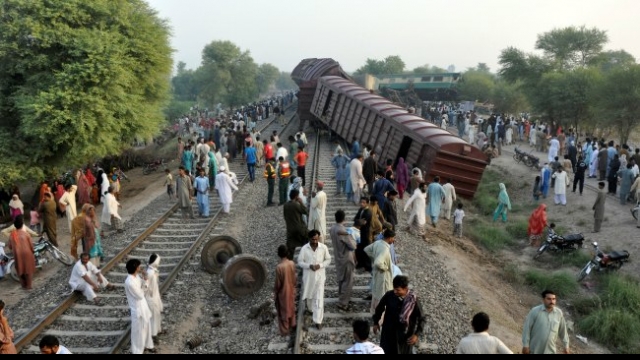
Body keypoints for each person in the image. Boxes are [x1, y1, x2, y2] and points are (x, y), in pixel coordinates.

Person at [372, 276, 425, 355]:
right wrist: (376, 322)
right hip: (389, 333)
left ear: (405, 289)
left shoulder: (413, 300)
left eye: (398, 290)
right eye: (394, 289)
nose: (395, 292)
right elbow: (379, 308)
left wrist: (416, 335)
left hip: (405, 336)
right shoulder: (389, 295)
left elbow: (422, 318)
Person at [298, 230, 331, 330]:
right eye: (313, 239)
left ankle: (318, 321)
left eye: (317, 239)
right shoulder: (304, 249)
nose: (315, 241)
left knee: (319, 298)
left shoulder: (323, 248)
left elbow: (328, 259)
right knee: (310, 296)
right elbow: (300, 262)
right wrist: (309, 266)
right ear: (309, 239)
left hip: (320, 277)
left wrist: (320, 265)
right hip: (308, 278)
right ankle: (311, 310)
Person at [522, 290, 570, 354]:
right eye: (549, 299)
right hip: (534, 349)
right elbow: (527, 329)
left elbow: (563, 331)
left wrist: (566, 346)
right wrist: (526, 345)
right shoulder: (535, 311)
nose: (552, 301)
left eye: (553, 299)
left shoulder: (558, 313)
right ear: (543, 299)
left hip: (550, 350)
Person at [124, 259, 155, 354]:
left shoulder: (136, 277)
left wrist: (144, 278)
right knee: (138, 332)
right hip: (137, 309)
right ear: (135, 268)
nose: (140, 267)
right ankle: (137, 351)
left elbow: (142, 282)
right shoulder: (130, 282)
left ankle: (148, 345)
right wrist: (145, 283)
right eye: (139, 266)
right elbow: (140, 295)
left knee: (147, 327)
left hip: (143, 306)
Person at [330, 210, 356, 312]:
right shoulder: (343, 231)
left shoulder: (332, 228)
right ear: (344, 219)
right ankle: (343, 303)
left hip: (338, 257)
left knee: (341, 279)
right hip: (346, 258)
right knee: (348, 280)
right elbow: (352, 245)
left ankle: (341, 298)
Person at [365, 229, 395, 313]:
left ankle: (374, 313)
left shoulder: (378, 243)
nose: (393, 240)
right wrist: (385, 267)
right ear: (389, 238)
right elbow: (378, 263)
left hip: (377, 274)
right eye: (393, 238)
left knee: (376, 294)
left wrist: (374, 256)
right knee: (382, 297)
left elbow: (367, 249)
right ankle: (380, 319)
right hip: (383, 277)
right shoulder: (385, 249)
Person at [6, 216, 35, 290]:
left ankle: (23, 285)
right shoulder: (26, 234)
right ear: (22, 225)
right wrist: (33, 251)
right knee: (28, 269)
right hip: (27, 253)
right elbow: (31, 246)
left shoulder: (12, 235)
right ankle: (29, 285)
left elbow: (9, 247)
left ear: (15, 226)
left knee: (20, 270)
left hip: (17, 254)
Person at [274, 245, 297, 336]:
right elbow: (294, 278)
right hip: (291, 289)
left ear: (279, 254)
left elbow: (278, 283)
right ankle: (293, 323)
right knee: (291, 306)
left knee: (283, 310)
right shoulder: (291, 263)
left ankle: (285, 329)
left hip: (283, 292)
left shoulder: (279, 267)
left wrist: (275, 292)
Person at [283, 189, 309, 260]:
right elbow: (305, 211)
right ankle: (305, 259)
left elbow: (285, 216)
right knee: (307, 240)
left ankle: (289, 262)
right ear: (296, 196)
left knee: (290, 247)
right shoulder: (296, 205)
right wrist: (301, 202)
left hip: (290, 229)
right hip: (299, 229)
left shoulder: (286, 205)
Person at [145, 254, 164, 339]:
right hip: (151, 297)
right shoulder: (150, 273)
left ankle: (158, 330)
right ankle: (153, 334)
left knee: (157, 314)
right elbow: (146, 286)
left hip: (155, 296)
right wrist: (151, 294)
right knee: (153, 316)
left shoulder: (152, 271)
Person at [354, 197, 373, 272]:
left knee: (365, 250)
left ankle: (367, 266)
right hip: (359, 233)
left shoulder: (368, 212)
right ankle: (360, 264)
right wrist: (359, 221)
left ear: (367, 203)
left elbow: (363, 222)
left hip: (365, 234)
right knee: (358, 249)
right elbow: (356, 219)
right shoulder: (360, 210)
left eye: (364, 202)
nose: (362, 204)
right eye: (361, 202)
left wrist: (359, 222)